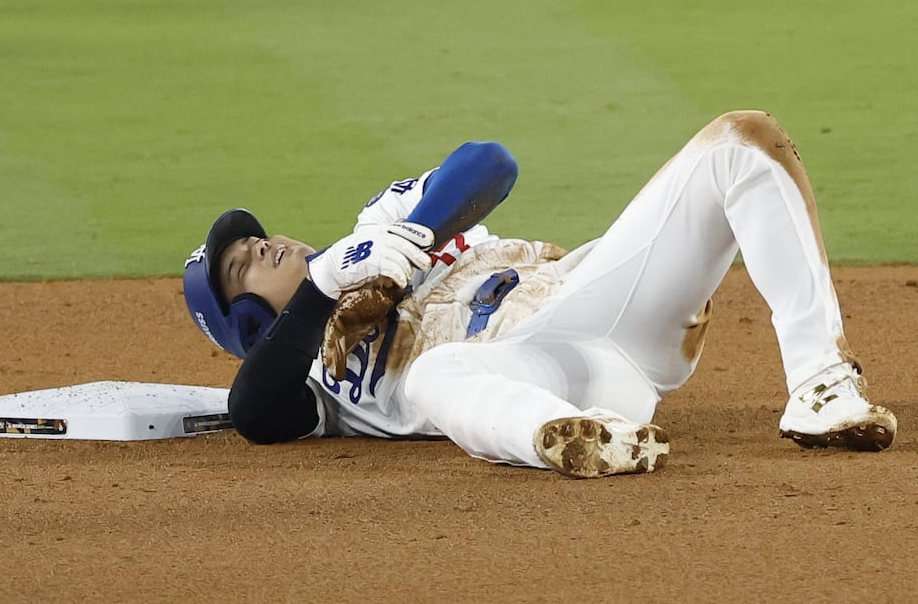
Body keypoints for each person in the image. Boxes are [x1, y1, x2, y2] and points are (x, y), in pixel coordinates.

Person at [182, 110, 897, 479]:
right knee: (437, 372)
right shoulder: (312, 379)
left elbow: (489, 164)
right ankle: (576, 442)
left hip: (605, 304)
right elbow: (255, 412)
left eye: (258, 239)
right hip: (541, 380)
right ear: (246, 322)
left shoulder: (381, 230)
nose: (266, 245)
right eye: (245, 262)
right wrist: (316, 291)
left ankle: (821, 387)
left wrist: (407, 245)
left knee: (740, 141)